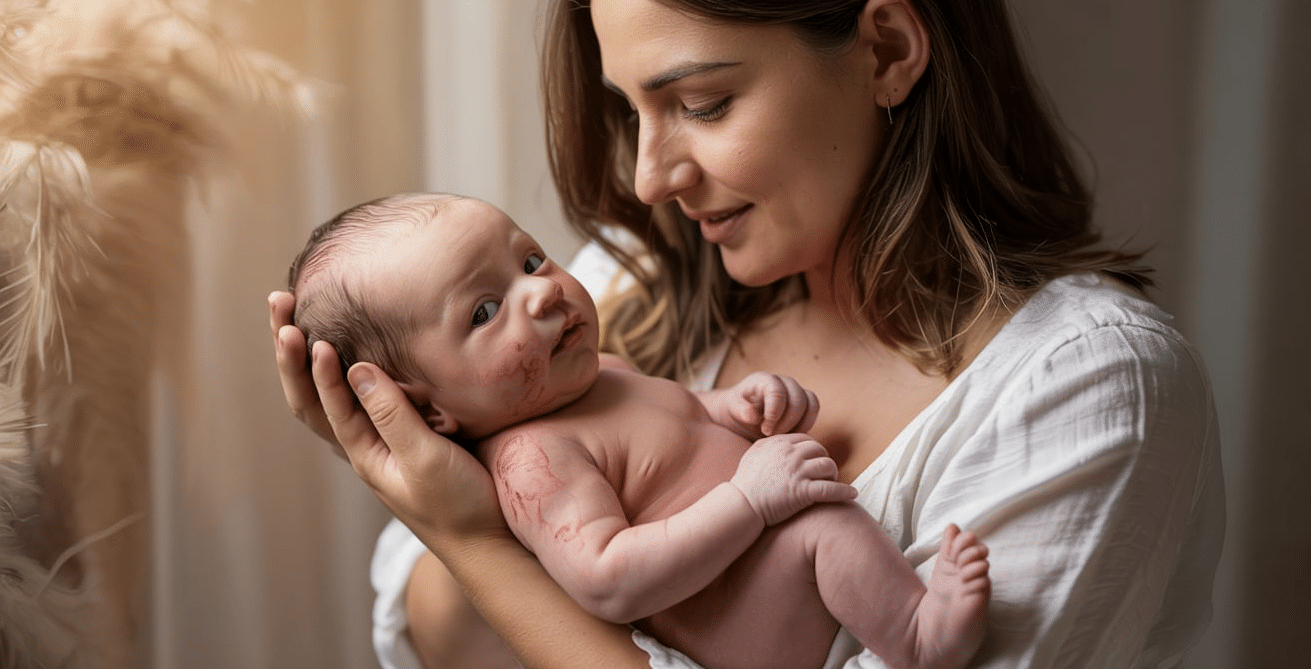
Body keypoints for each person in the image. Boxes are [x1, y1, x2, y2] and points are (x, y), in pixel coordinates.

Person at [269, 0, 1225, 667]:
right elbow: (434, 628)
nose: (647, 179)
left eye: (702, 103)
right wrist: (453, 515)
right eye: (629, 111)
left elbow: (488, 610)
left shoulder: (1091, 388)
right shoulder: (626, 286)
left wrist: (468, 538)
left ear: (886, 49)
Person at [287, 192, 992, 669]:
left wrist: (739, 406)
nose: (542, 290)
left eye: (530, 259)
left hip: (756, 578)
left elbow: (683, 423)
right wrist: (749, 499)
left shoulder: (599, 373)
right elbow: (607, 579)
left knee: (819, 524)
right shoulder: (534, 460)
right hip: (731, 620)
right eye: (483, 312)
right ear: (431, 411)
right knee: (822, 529)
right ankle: (920, 635)